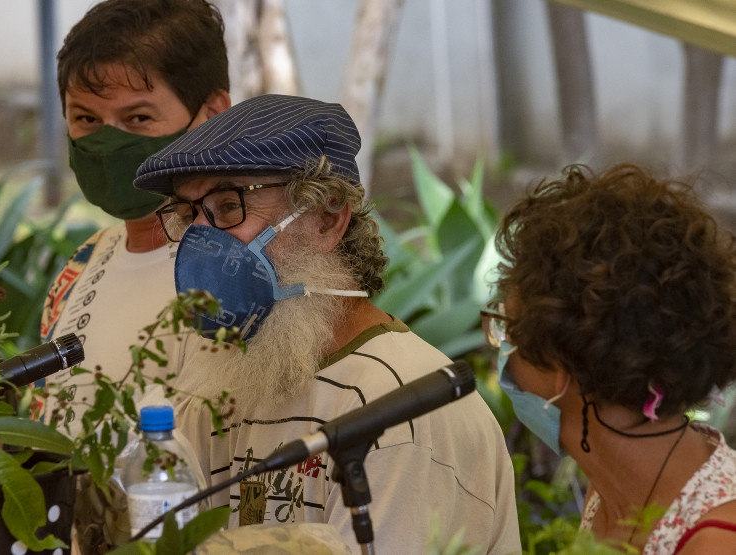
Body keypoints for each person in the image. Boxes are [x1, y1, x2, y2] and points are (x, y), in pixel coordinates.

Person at [133, 94, 521, 554]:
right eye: (186, 215)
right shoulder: (226, 386)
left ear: (327, 217)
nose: (201, 239)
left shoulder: (401, 411)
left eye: (228, 205)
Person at [485, 163, 736, 553]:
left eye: (506, 332)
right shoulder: (611, 487)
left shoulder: (717, 539)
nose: (501, 354)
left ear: (560, 368)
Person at [40, 0, 231, 425]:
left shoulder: (246, 271)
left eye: (138, 117)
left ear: (213, 114)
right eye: (86, 118)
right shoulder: (79, 269)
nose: (108, 144)